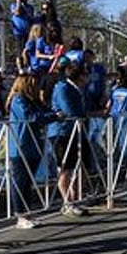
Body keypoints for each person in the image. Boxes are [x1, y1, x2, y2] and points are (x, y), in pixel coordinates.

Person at [6, 74, 59, 228]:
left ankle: (27, 213)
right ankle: (20, 215)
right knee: (20, 181)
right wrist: (53, 116)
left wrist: (53, 114)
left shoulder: (34, 101)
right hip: (21, 145)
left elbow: (45, 111)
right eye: (34, 84)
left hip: (34, 144)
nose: (37, 87)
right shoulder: (19, 99)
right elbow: (31, 117)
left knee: (28, 181)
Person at [48, 57, 90, 217]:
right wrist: (84, 116)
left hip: (77, 131)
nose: (87, 78)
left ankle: (75, 199)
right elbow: (68, 110)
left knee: (79, 166)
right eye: (85, 75)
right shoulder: (62, 87)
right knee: (65, 167)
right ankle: (67, 202)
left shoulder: (78, 89)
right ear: (79, 76)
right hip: (62, 132)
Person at [10, 0, 35, 67]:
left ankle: (28, 66)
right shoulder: (13, 5)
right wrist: (18, 2)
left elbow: (30, 16)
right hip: (18, 33)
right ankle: (20, 68)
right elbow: (17, 12)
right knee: (19, 52)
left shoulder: (30, 7)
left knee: (27, 50)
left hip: (28, 33)